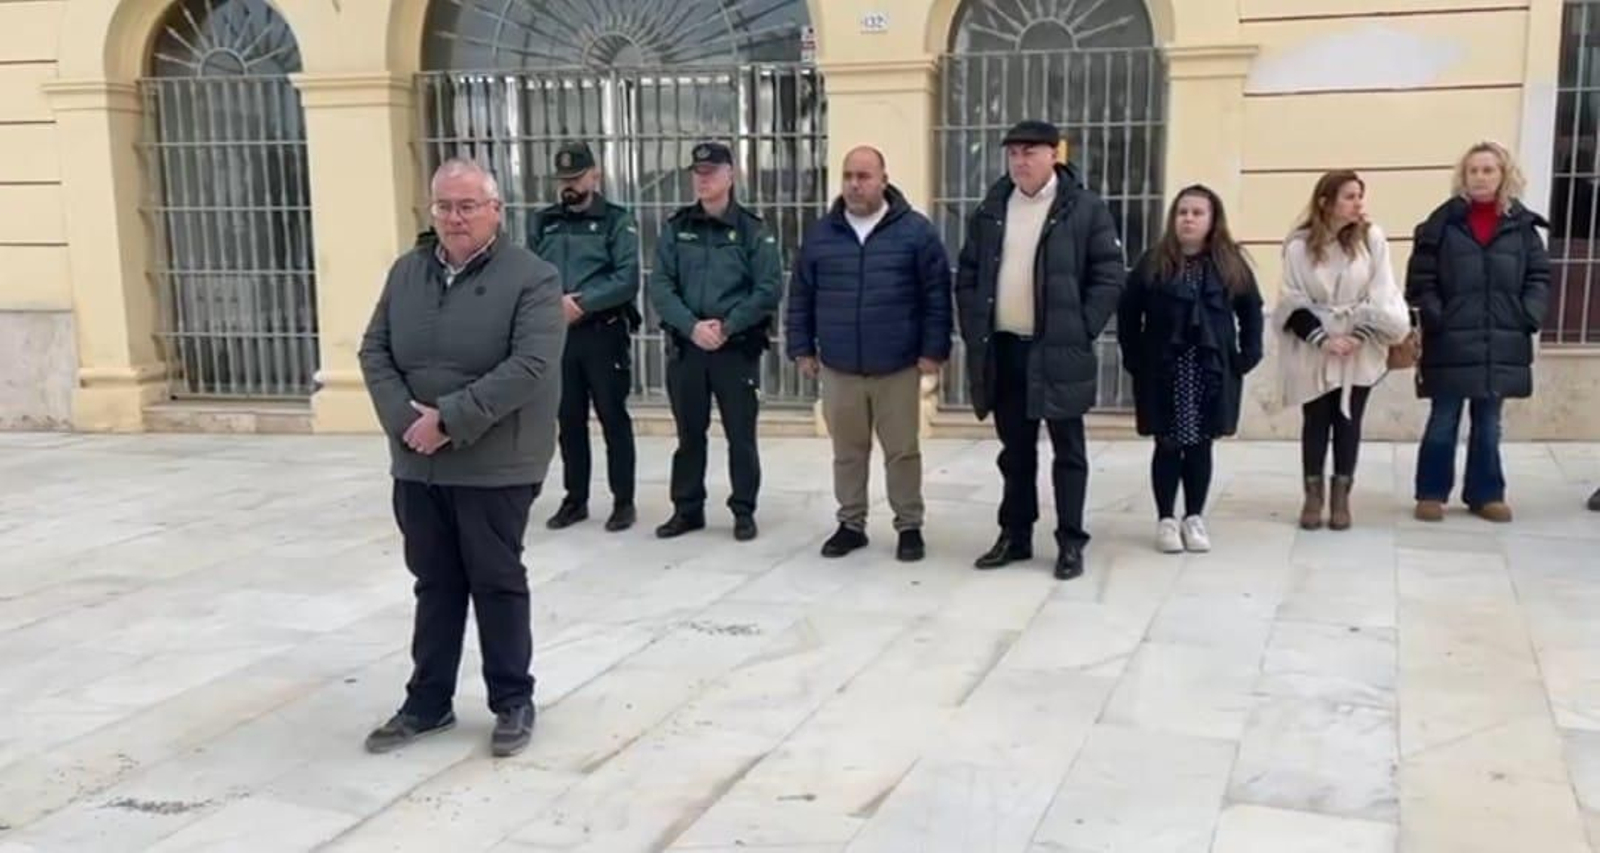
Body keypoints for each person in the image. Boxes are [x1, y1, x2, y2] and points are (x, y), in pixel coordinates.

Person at [357, 158, 565, 758]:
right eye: (445, 206)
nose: (455, 217)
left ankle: (512, 700)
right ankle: (427, 703)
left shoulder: (533, 278)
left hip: (495, 462)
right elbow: (374, 352)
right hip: (419, 464)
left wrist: (448, 420)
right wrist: (410, 425)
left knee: (497, 581)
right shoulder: (406, 272)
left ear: (496, 210)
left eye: (468, 206)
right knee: (435, 584)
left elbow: (529, 365)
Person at [954, 120, 1126, 581]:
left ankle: (1071, 541)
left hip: (1058, 350)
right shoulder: (993, 208)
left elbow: (1109, 274)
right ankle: (1015, 535)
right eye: (1012, 153)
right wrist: (974, 326)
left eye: (1029, 152)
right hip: (1006, 348)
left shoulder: (1083, 209)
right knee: (1015, 451)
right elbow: (968, 273)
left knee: (1068, 451)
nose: (1019, 161)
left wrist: (1081, 326)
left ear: (1054, 154)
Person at [788, 146, 952, 562]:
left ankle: (909, 525)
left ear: (883, 179)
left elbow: (936, 296)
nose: (855, 185)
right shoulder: (822, 234)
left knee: (902, 451)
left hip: (897, 364)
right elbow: (801, 295)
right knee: (847, 451)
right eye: (848, 176)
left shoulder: (915, 232)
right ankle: (851, 523)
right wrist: (802, 348)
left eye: (863, 176)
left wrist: (933, 350)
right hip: (839, 364)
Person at [1407, 141, 1551, 524]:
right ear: (1463, 177)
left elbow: (1539, 276)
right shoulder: (1442, 224)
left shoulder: (1522, 228)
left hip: (1501, 337)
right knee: (1444, 417)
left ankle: (1486, 494)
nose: (1480, 177)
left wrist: (1527, 314)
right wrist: (1438, 316)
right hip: (1451, 337)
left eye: (1488, 170)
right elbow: (1421, 279)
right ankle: (1431, 492)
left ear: (1503, 175)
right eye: (1473, 170)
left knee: (1489, 422)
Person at [1118, 185, 1264, 554]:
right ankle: (1166, 518)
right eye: (1183, 212)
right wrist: (1134, 357)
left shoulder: (1230, 263)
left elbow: (1250, 311)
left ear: (1213, 219)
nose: (1189, 219)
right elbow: (1128, 313)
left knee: (1200, 444)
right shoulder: (1154, 262)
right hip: (1164, 368)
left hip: (1210, 368)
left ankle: (1194, 517)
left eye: (1198, 213)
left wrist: (1247, 355)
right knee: (1167, 443)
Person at [649, 141, 782, 542]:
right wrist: (692, 327)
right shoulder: (677, 228)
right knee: (689, 434)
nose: (702, 179)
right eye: (697, 173)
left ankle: (743, 510)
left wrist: (725, 327)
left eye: (710, 172)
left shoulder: (752, 231)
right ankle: (687, 509)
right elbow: (660, 285)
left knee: (741, 435)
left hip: (734, 349)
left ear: (731, 175)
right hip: (688, 348)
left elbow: (768, 288)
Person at [1273, 170, 1409, 531]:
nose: (1358, 203)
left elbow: (1383, 293)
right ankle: (1313, 496)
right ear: (1325, 201)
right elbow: (1290, 299)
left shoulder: (1371, 239)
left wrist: (1358, 334)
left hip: (1358, 346)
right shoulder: (1299, 246)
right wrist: (1322, 338)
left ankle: (1341, 496)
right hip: (1314, 346)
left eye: (1360, 195)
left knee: (1349, 420)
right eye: (1349, 196)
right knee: (1316, 419)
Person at [532, 141, 642, 533]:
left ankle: (623, 501)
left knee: (613, 417)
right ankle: (574, 499)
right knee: (569, 419)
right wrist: (552, 304)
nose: (569, 185)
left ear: (595, 176)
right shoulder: (544, 221)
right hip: (559, 337)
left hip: (602, 331)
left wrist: (583, 303)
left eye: (576, 177)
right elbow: (530, 273)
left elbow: (627, 278)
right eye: (563, 179)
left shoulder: (616, 221)